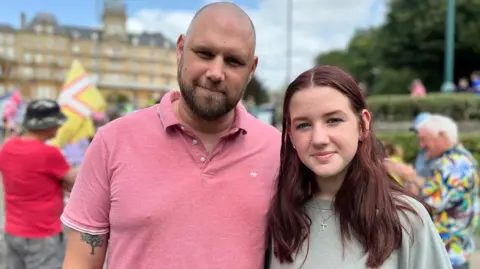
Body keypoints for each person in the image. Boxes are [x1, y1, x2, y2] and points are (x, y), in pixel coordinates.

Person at [61, 2, 281, 269]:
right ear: (180, 50)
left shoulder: (277, 151)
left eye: (234, 61)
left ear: (252, 69)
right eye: (204, 53)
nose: (215, 73)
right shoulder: (112, 141)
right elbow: (80, 263)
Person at [267, 66, 452, 269]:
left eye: (333, 120)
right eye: (303, 125)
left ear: (363, 125)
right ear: (291, 135)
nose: (319, 139)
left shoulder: (407, 220)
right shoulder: (278, 214)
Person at [388, 114, 479, 269]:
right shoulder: (450, 160)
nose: (421, 145)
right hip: (450, 252)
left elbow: (427, 206)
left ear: (442, 136)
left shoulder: (454, 164)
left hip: (448, 253)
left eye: (424, 139)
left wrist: (407, 178)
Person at [0, 99, 78, 269]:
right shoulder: (49, 153)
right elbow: (75, 182)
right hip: (43, 234)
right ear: (49, 126)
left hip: (13, 231)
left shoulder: (7, 148)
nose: (59, 128)